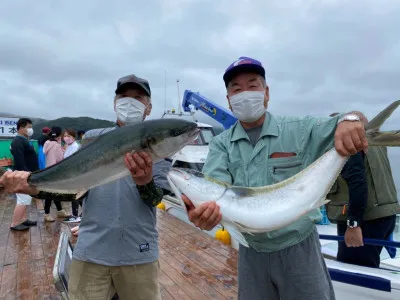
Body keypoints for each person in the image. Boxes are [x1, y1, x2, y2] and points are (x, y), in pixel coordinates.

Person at [182, 56, 369, 300]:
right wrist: (207, 217)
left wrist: (351, 120)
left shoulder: (298, 129)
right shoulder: (220, 145)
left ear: (266, 93)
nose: (245, 93)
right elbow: (215, 193)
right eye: (236, 89)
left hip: (300, 248)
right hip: (251, 253)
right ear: (228, 100)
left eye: (253, 85)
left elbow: (354, 119)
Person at [66, 73, 171, 300]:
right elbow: (73, 186)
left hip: (139, 253)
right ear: (115, 104)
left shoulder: (160, 147)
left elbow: (156, 200)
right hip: (91, 250)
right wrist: (30, 184)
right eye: (124, 96)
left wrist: (145, 183)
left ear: (149, 108)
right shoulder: (93, 139)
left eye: (138, 97)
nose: (129, 101)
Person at [326, 113, 400, 268]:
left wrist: (353, 224)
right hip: (386, 214)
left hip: (365, 218)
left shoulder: (351, 142)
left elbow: (358, 182)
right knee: (370, 263)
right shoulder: (377, 144)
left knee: (354, 271)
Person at [9, 118, 39, 231]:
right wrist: (26, 175)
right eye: (29, 127)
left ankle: (23, 219)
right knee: (23, 199)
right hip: (23, 176)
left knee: (26, 199)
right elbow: (19, 160)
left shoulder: (23, 140)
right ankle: (15, 223)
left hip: (27, 174)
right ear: (21, 128)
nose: (31, 129)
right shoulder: (18, 141)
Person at [42, 126, 69, 222]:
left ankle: (60, 210)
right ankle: (46, 214)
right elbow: (61, 159)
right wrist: (64, 149)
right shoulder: (57, 145)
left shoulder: (47, 143)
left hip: (48, 170)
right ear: (59, 134)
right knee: (50, 193)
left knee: (54, 191)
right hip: (55, 171)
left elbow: (45, 152)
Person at [62, 128, 82, 223]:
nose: (66, 138)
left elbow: (72, 161)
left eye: (68, 136)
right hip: (70, 174)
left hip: (74, 175)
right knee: (78, 195)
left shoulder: (75, 146)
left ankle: (75, 215)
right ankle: (82, 213)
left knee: (75, 195)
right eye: (65, 136)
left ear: (74, 137)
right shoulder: (69, 146)